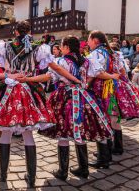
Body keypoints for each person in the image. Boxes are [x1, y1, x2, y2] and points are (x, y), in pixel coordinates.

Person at [0, 21, 80, 187]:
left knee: (5, 132)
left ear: (15, 31)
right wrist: (75, 79)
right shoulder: (38, 48)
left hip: (7, 89)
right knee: (28, 134)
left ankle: (3, 176)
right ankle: (31, 178)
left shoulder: (5, 47)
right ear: (29, 31)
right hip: (28, 90)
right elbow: (55, 69)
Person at [19, 36, 113, 181]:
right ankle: (83, 168)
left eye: (62, 46)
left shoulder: (62, 61)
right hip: (84, 96)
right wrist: (83, 84)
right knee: (80, 131)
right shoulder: (87, 61)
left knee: (63, 131)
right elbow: (92, 76)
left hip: (66, 96)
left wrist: (28, 79)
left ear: (67, 47)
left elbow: (48, 76)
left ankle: (63, 171)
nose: (61, 48)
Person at [87, 30, 139, 169]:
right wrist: (125, 84)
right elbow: (122, 70)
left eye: (89, 39)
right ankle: (116, 148)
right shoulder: (115, 53)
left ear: (95, 41)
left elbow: (98, 73)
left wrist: (107, 78)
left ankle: (106, 154)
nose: (87, 42)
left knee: (105, 118)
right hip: (117, 88)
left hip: (104, 89)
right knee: (113, 118)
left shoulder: (96, 54)